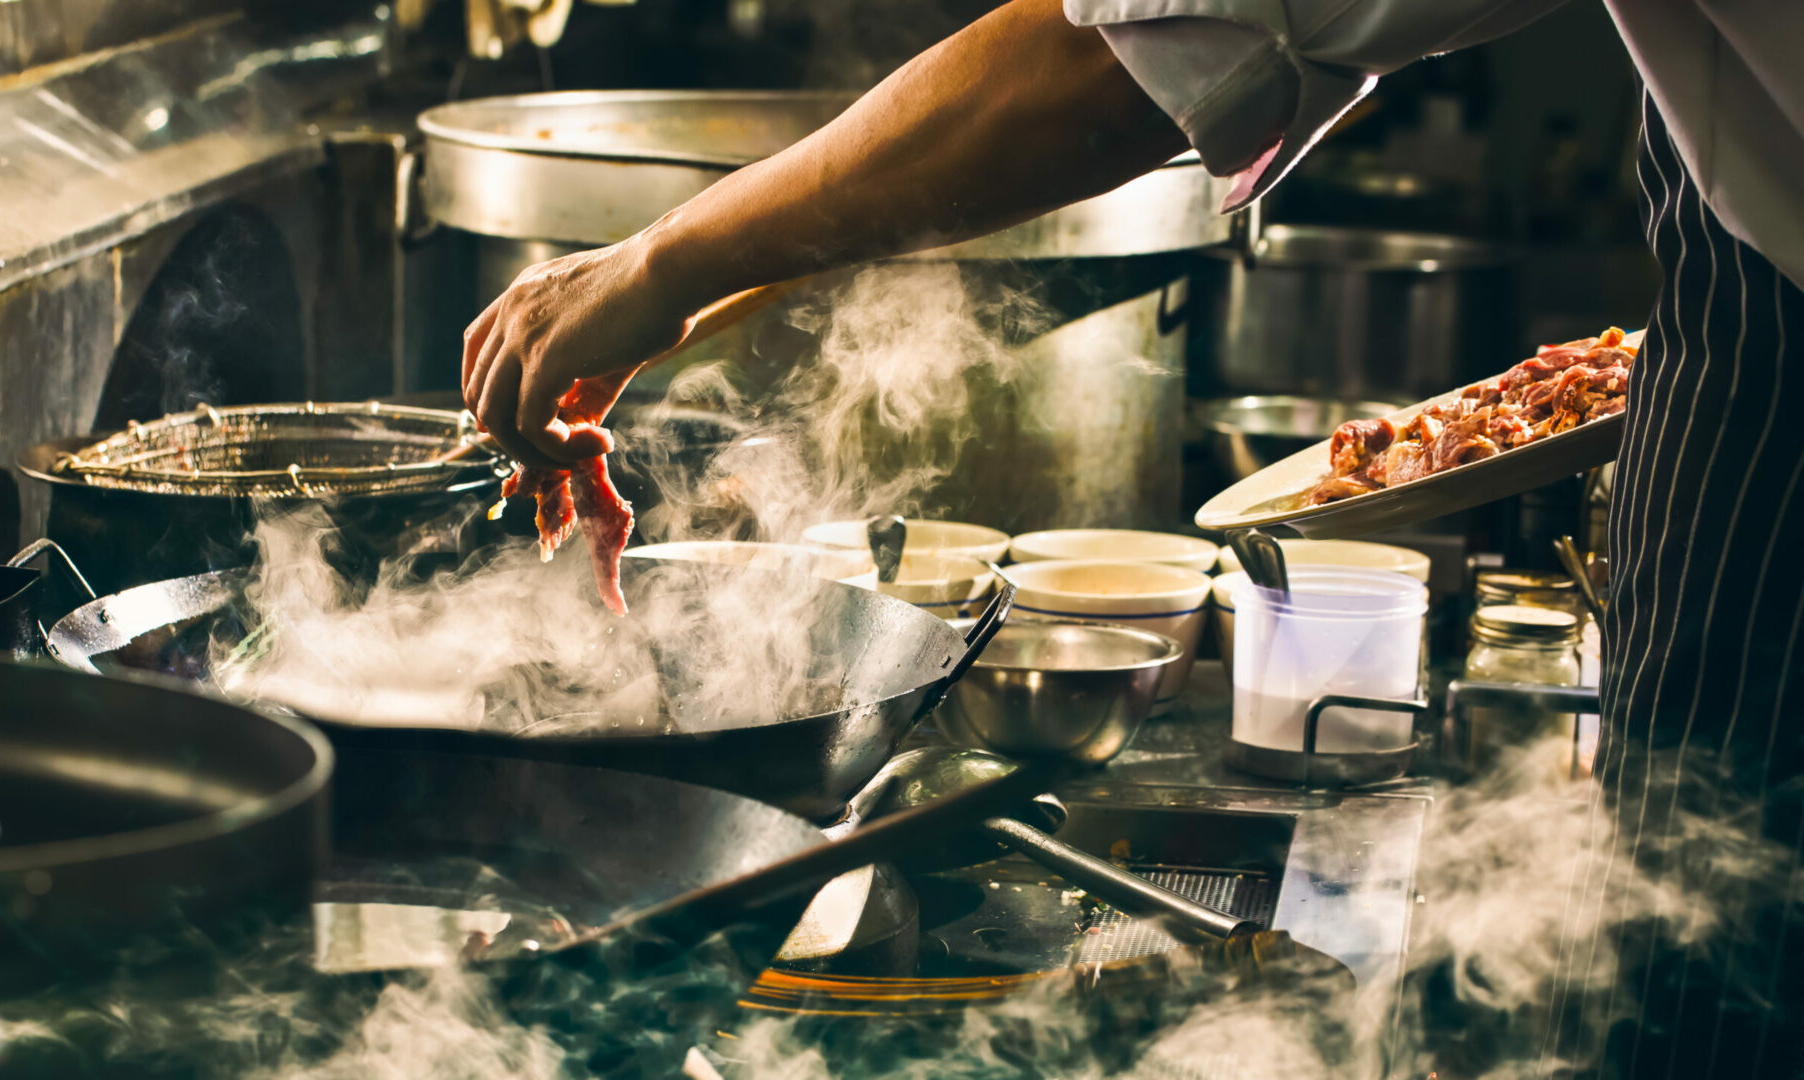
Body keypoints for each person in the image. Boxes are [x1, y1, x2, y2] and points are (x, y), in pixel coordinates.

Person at [462, 2, 1804, 1075]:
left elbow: (1117, 55)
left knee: (1740, 974)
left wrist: (658, 265)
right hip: (1743, 285)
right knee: (1707, 923)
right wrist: (692, 286)